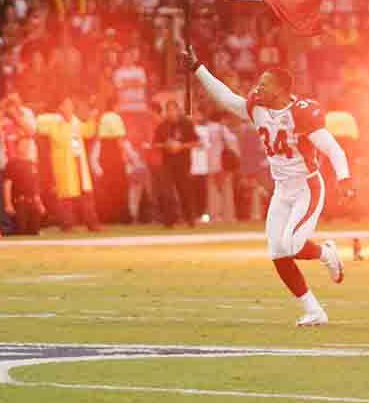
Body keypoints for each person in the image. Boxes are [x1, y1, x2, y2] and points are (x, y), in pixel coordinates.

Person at [185, 47, 353, 326]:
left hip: (306, 188)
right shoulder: (258, 108)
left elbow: (333, 149)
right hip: (282, 190)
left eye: (264, 84)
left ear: (280, 91)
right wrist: (197, 68)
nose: (257, 88)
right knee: (277, 251)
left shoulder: (301, 114)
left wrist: (344, 178)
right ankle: (314, 310)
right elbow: (226, 98)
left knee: (292, 244)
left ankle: (326, 253)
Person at [36, 96, 98, 232]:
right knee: (65, 198)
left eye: (71, 105)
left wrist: (92, 118)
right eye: (67, 105)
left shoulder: (75, 122)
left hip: (78, 164)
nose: (70, 108)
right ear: (61, 108)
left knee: (85, 195)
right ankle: (67, 225)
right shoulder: (55, 123)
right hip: (64, 165)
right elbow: (59, 138)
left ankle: (92, 225)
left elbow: (88, 132)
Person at [90, 103, 143, 224]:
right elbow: (122, 142)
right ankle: (123, 218)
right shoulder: (116, 118)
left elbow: (96, 147)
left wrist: (97, 169)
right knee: (120, 190)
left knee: (106, 192)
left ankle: (107, 218)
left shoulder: (103, 120)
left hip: (104, 160)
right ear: (115, 107)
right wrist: (135, 161)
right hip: (116, 161)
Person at [152, 100, 201, 229]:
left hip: (183, 163)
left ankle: (190, 219)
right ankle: (170, 221)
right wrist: (166, 145)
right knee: (167, 191)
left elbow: (197, 142)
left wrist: (181, 146)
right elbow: (155, 144)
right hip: (167, 163)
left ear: (178, 111)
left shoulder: (186, 124)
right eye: (168, 111)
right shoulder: (162, 126)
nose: (171, 113)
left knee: (185, 191)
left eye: (173, 110)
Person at [3, 136, 45, 236]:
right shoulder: (12, 163)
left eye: (27, 144)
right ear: (17, 146)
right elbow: (7, 184)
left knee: (34, 232)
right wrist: (8, 203)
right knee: (21, 231)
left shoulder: (32, 164)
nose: (25, 147)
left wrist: (39, 204)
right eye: (23, 144)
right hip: (20, 202)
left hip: (33, 203)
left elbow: (35, 187)